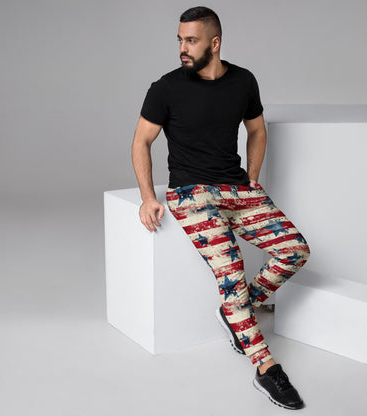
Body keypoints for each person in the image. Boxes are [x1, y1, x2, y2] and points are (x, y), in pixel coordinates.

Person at [131, 6, 310, 410]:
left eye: (191, 40)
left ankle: (237, 310)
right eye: (180, 40)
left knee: (296, 250)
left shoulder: (243, 81)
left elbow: (257, 130)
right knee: (231, 272)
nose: (182, 48)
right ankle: (266, 367)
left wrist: (253, 178)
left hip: (237, 188)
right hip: (191, 194)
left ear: (214, 43)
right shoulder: (165, 88)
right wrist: (147, 196)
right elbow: (141, 141)